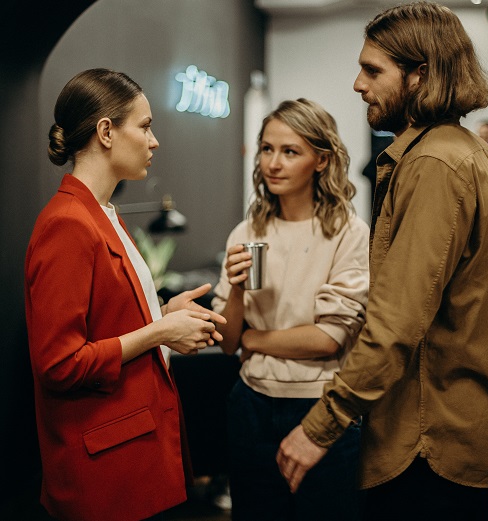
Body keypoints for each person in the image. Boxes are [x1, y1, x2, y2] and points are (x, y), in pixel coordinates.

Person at [276, 3, 488, 521]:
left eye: (373, 70)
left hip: (426, 442)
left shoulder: (434, 164)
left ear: (420, 75)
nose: (358, 84)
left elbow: (397, 320)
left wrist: (320, 427)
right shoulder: (469, 153)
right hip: (454, 434)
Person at [24, 68, 227, 521]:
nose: (154, 142)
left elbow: (110, 323)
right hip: (107, 472)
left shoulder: (102, 213)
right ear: (105, 132)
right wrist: (158, 332)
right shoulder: (68, 224)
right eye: (146, 126)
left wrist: (164, 314)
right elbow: (59, 363)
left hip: (137, 454)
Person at [212, 98, 370, 520]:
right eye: (267, 149)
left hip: (319, 406)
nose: (273, 164)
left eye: (289, 151)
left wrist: (253, 337)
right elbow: (227, 344)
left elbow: (326, 340)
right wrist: (235, 293)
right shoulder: (247, 231)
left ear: (321, 160)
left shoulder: (347, 233)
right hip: (250, 403)